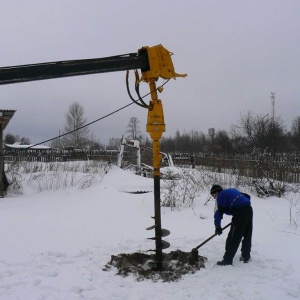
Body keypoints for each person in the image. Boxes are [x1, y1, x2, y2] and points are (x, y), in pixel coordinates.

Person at [210, 184, 253, 266]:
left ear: (215, 192)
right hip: (249, 209)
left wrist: (218, 226)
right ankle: (245, 256)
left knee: (233, 236)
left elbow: (217, 213)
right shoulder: (231, 191)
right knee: (247, 234)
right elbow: (246, 196)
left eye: (213, 196)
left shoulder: (220, 196)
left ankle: (227, 260)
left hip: (240, 212)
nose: (214, 198)